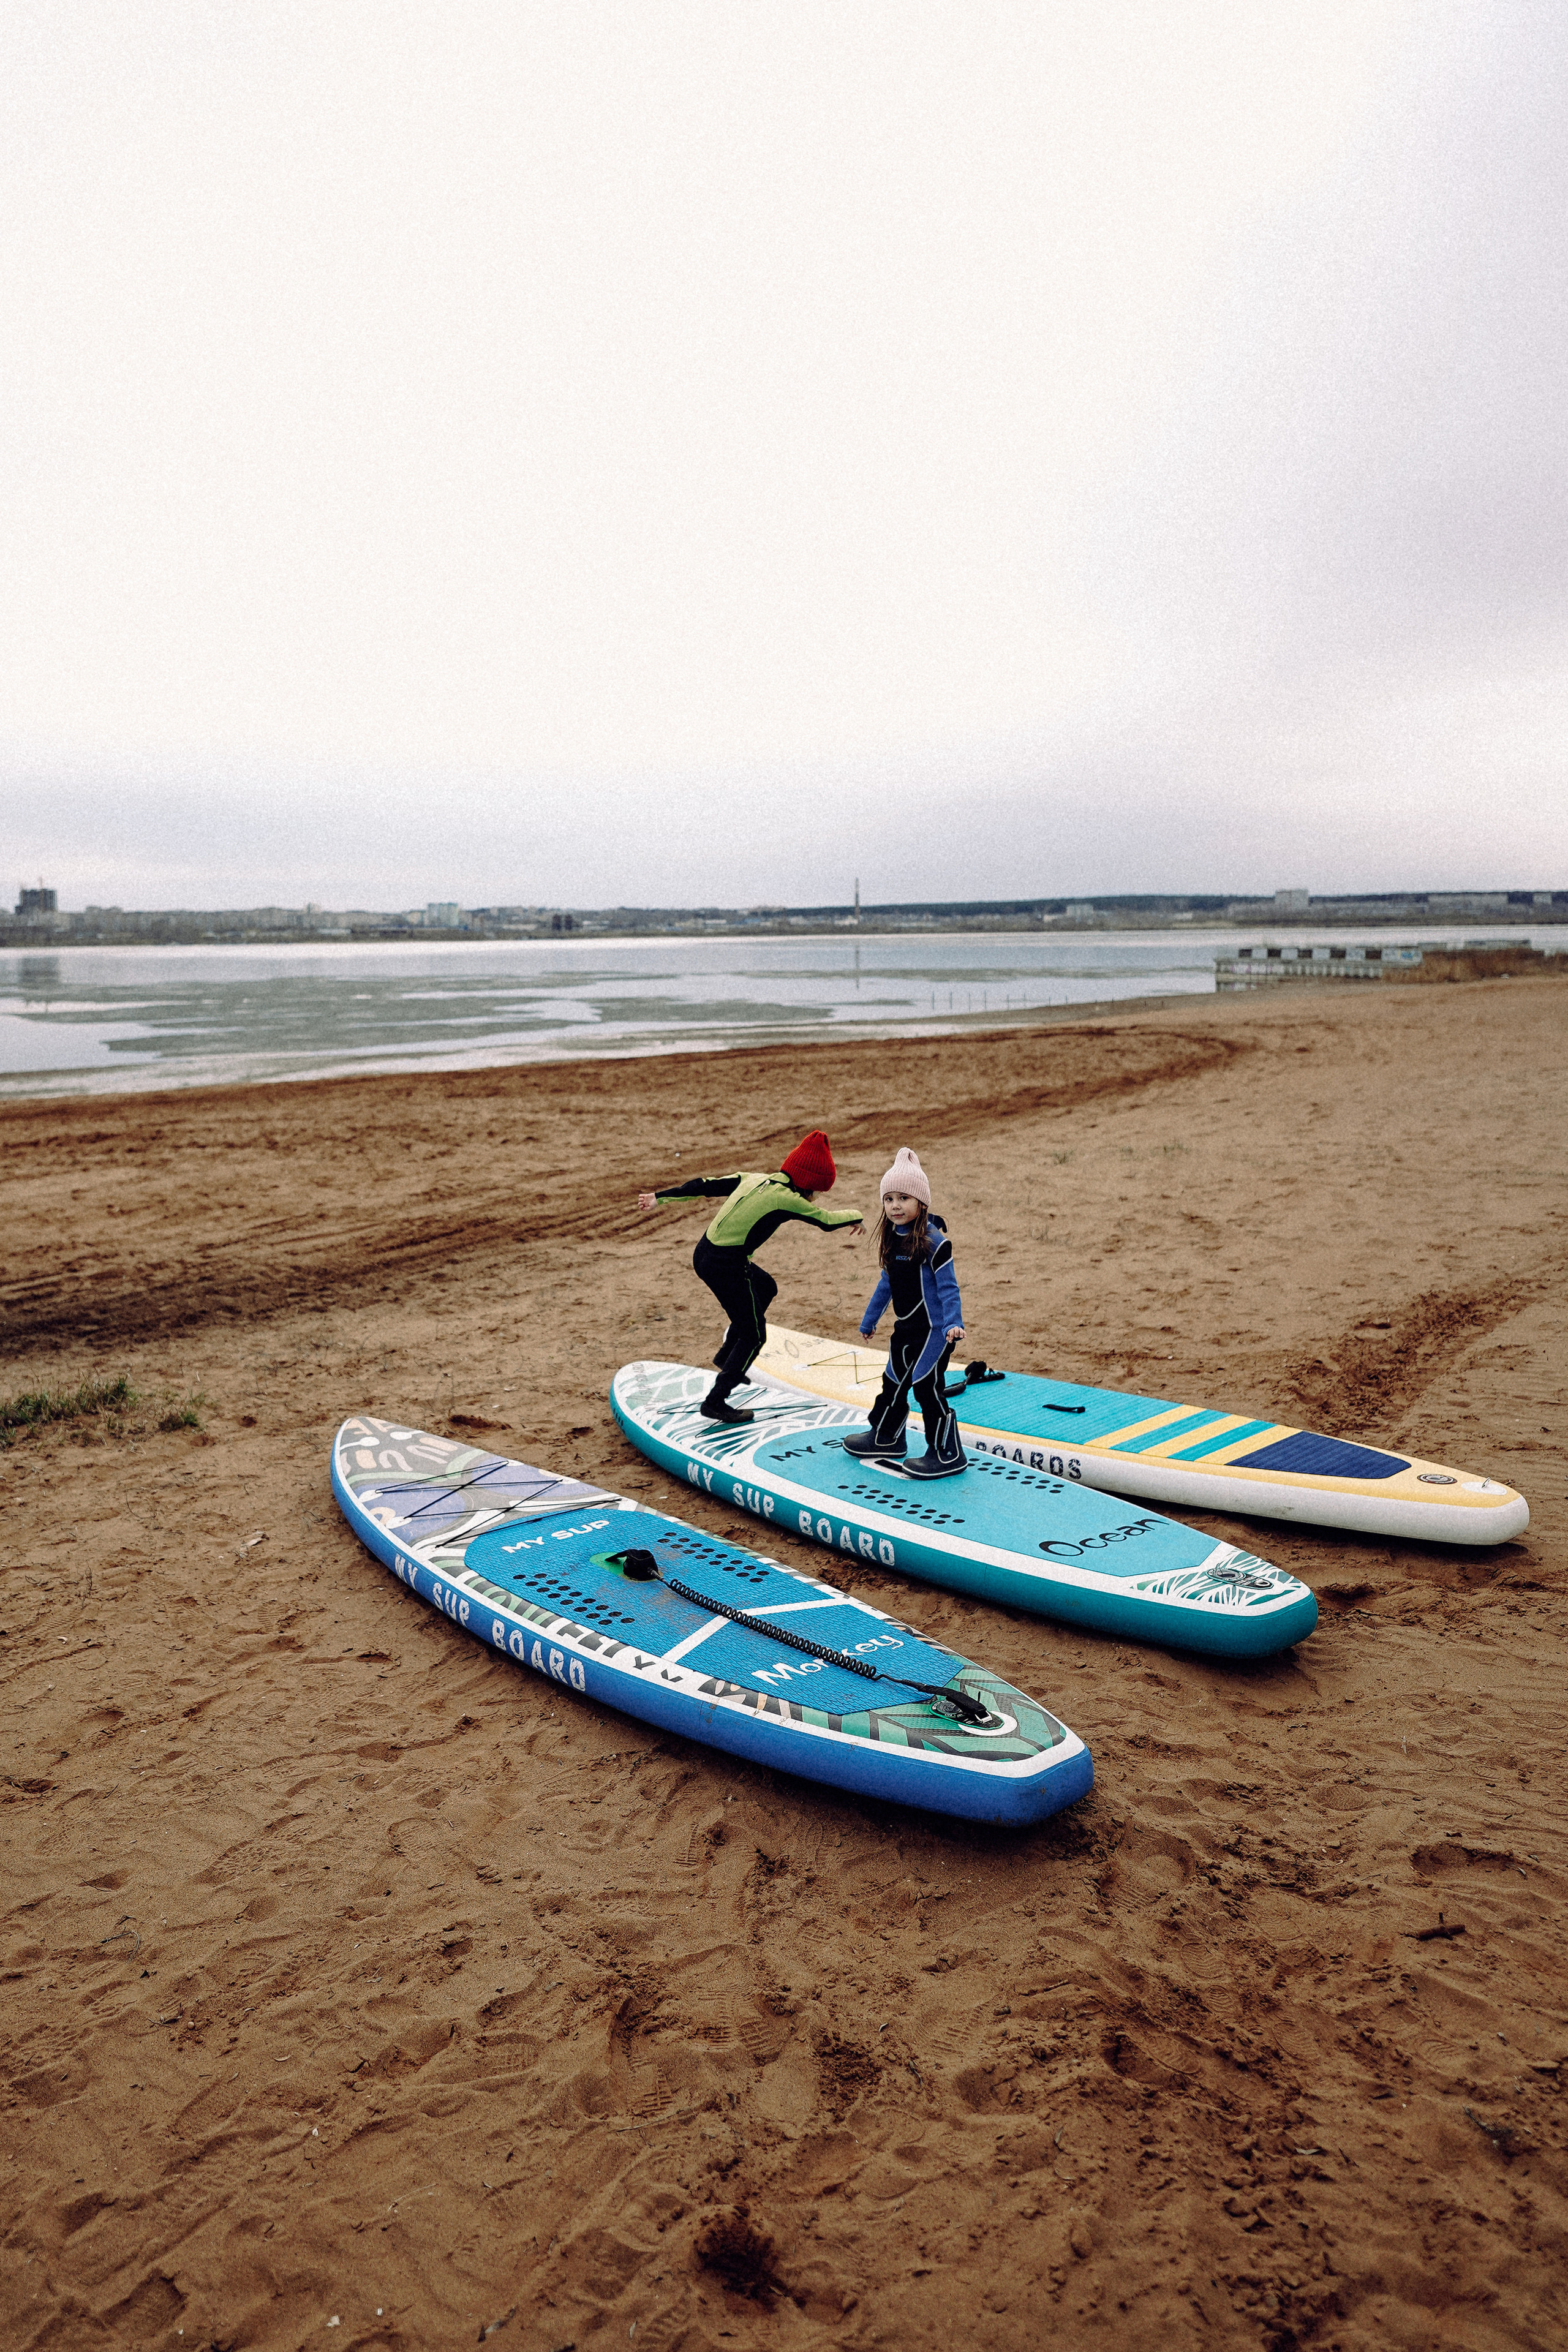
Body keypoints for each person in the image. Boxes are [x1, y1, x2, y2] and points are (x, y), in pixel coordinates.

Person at [637, 1129, 863, 1423]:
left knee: (765, 1287)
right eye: (817, 1191)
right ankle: (716, 1401)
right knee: (754, 1335)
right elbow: (827, 1221)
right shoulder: (788, 1199)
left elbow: (705, 1185)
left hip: (704, 1253)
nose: (815, 1197)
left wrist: (660, 1197)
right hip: (727, 1266)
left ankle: (727, 1357)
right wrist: (857, 1215)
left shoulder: (754, 1178)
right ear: (809, 1184)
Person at [844, 1147, 966, 1479]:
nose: (895, 1206)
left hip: (934, 1331)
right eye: (889, 1199)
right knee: (893, 1382)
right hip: (905, 1329)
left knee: (926, 1387)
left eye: (904, 1198)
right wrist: (870, 1320)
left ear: (921, 1203)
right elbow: (887, 1284)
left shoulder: (935, 1242)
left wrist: (954, 1323)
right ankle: (886, 1438)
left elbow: (949, 1288)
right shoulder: (892, 1239)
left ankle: (948, 1454)